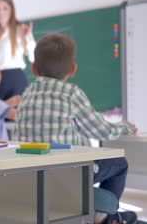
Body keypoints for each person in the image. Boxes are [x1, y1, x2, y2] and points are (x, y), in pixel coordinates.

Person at [13, 33, 138, 224]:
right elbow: (101, 130)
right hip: (68, 176)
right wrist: (124, 128)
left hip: (30, 177)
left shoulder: (27, 94)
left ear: (34, 69)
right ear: (73, 70)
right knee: (119, 163)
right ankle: (106, 218)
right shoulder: (71, 93)